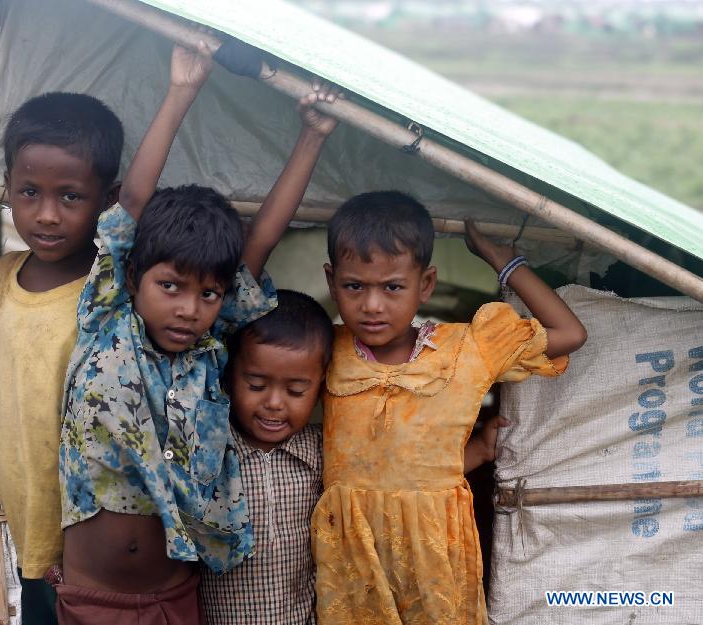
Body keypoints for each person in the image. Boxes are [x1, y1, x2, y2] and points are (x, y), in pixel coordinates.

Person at [53, 41, 340, 624]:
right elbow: (134, 201)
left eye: (208, 293)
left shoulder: (212, 351)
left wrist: (313, 135)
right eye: (171, 287)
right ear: (134, 277)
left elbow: (261, 240)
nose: (189, 309)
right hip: (93, 599)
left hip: (179, 598)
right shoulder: (108, 317)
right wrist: (183, 88)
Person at [313, 191, 587, 624]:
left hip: (435, 550)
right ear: (331, 281)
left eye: (392, 287)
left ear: (426, 285)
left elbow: (568, 331)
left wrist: (504, 262)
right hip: (352, 552)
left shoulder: (467, 349)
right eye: (354, 286)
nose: (372, 304)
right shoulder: (325, 346)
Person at [200, 289, 509, 625]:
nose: (274, 403)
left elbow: (399, 474)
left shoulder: (323, 449)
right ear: (229, 378)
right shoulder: (210, 450)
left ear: (320, 389)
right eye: (257, 385)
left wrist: (478, 450)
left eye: (295, 391)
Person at [0, 92, 124, 624]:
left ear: (106, 199)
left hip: (87, 527)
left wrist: (183, 88)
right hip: (27, 517)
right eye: (28, 192)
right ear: (7, 187)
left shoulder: (108, 283)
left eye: (70, 197)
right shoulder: (3, 274)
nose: (45, 215)